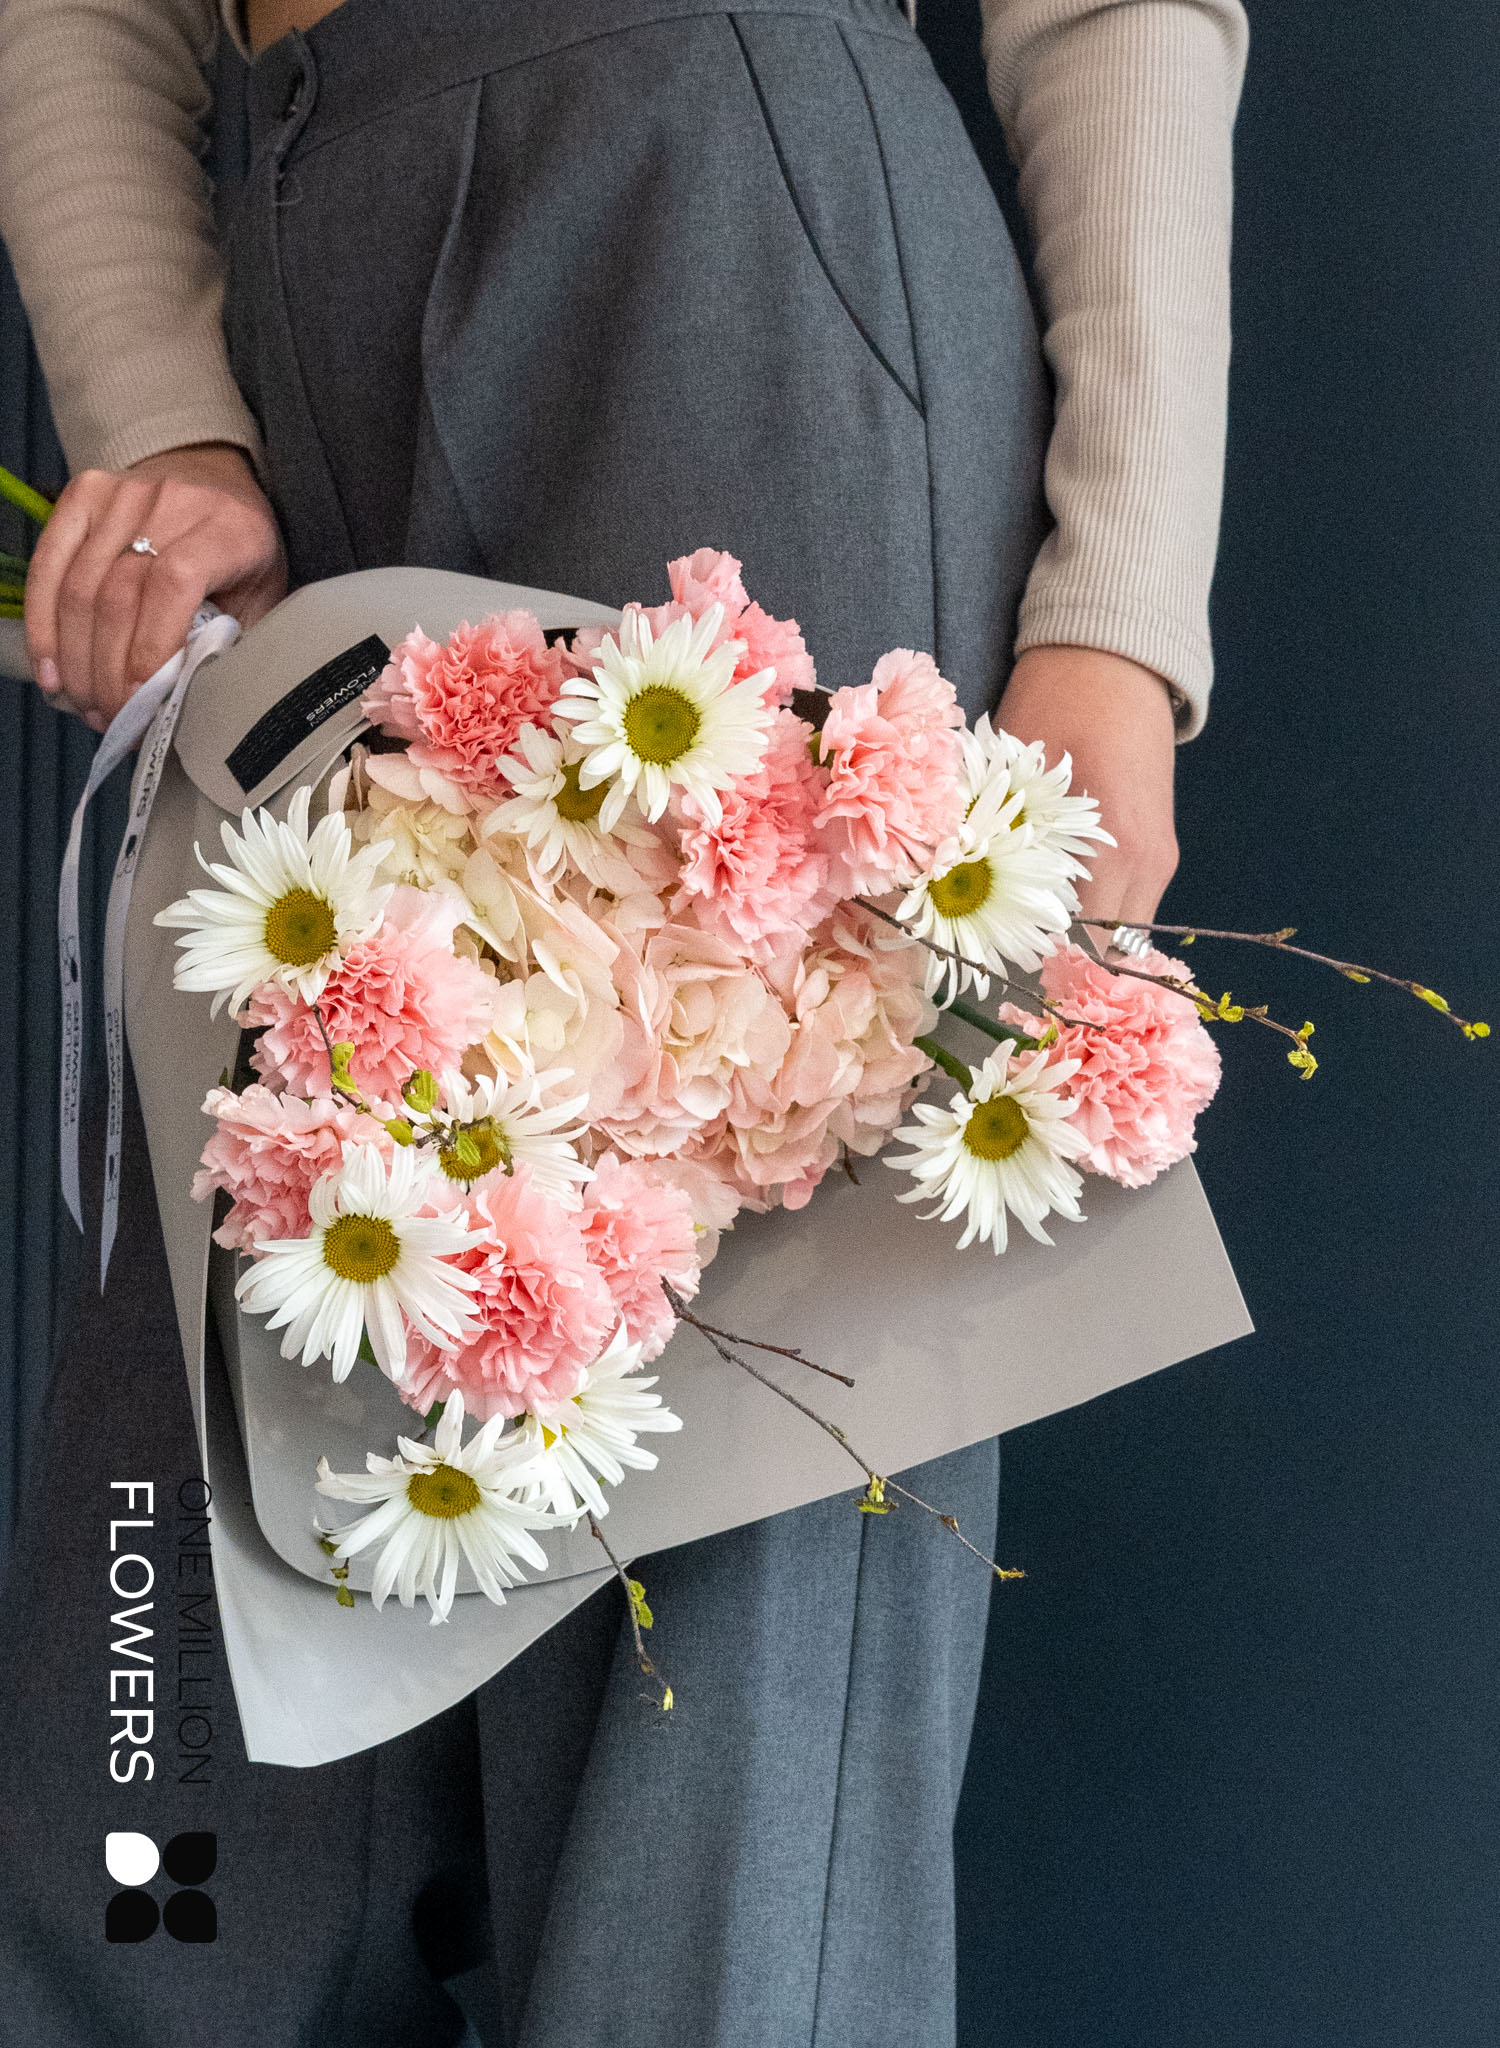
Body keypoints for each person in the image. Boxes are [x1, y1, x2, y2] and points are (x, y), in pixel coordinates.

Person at [0, 0, 1247, 2042]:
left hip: (730, 239)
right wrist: (165, 413)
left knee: (707, 1742)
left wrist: (1116, 614)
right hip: (300, 307)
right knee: (158, 1816)